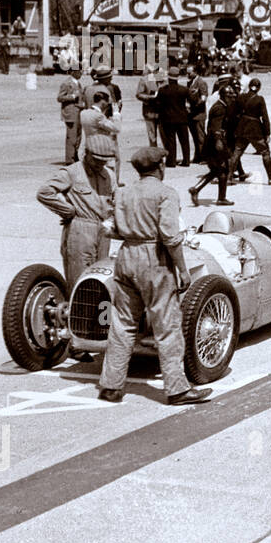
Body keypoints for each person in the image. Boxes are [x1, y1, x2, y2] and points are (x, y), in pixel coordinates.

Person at [96, 147, 211, 406]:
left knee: (123, 323)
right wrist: (181, 269)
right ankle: (177, 389)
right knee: (167, 326)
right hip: (154, 259)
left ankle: (110, 386)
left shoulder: (123, 192)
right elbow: (170, 236)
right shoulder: (166, 193)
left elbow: (109, 228)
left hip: (126, 256)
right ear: (160, 166)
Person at [36, 134, 118, 289]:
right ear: (86, 153)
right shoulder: (71, 173)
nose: (100, 164)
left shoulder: (109, 175)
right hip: (80, 230)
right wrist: (67, 210)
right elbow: (44, 193)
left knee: (100, 278)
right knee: (79, 281)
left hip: (104, 231)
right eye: (96, 160)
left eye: (104, 160)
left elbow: (116, 201)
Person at [229, 77, 271, 184]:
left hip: (242, 129)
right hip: (255, 130)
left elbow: (233, 114)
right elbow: (265, 117)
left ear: (249, 86)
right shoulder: (260, 99)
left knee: (237, 152)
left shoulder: (241, 97)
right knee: (265, 152)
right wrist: (267, 133)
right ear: (258, 88)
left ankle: (228, 177)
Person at [190, 83, 235, 206]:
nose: (232, 99)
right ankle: (220, 198)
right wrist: (219, 144)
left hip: (211, 144)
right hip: (215, 145)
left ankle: (197, 189)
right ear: (225, 96)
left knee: (217, 171)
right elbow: (216, 128)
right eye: (230, 97)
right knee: (223, 170)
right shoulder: (220, 108)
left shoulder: (220, 106)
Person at [79, 90, 121, 184]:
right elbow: (117, 128)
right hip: (101, 146)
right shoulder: (98, 116)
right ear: (102, 102)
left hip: (88, 144)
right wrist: (116, 114)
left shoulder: (84, 113)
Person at [155, 66, 192, 168]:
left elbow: (157, 104)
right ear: (178, 77)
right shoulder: (184, 90)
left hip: (168, 119)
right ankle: (186, 160)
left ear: (168, 77)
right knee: (184, 140)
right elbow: (191, 101)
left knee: (171, 141)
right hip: (182, 118)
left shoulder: (163, 90)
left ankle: (171, 161)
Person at [57, 66, 85, 164]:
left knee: (78, 136)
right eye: (79, 71)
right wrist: (72, 96)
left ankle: (74, 155)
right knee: (71, 136)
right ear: (73, 72)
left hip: (78, 111)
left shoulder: (78, 83)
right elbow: (60, 97)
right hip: (70, 113)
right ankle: (69, 159)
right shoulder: (66, 83)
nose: (81, 73)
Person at [135, 65, 161, 148]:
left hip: (162, 111)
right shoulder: (144, 79)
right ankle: (155, 156)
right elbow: (139, 94)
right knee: (152, 135)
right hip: (149, 111)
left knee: (165, 135)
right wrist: (150, 97)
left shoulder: (163, 79)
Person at [186, 65, 208, 159]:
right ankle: (198, 155)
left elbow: (203, 98)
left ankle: (204, 156)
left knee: (200, 137)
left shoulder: (201, 82)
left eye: (189, 73)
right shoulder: (190, 82)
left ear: (195, 72)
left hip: (199, 114)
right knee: (195, 137)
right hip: (191, 114)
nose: (188, 74)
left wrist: (193, 106)